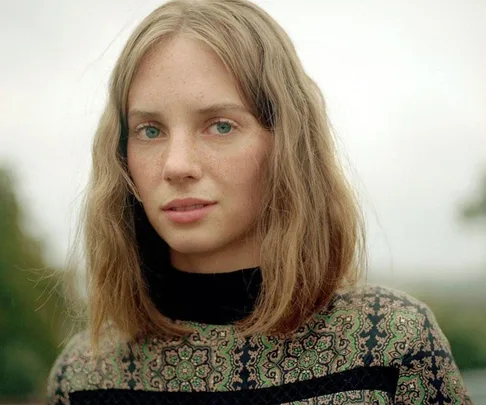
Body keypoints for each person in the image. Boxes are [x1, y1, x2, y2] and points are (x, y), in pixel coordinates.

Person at [46, 0, 472, 403]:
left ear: (285, 144)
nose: (176, 166)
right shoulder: (85, 377)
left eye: (221, 125)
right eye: (150, 130)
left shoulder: (390, 346)